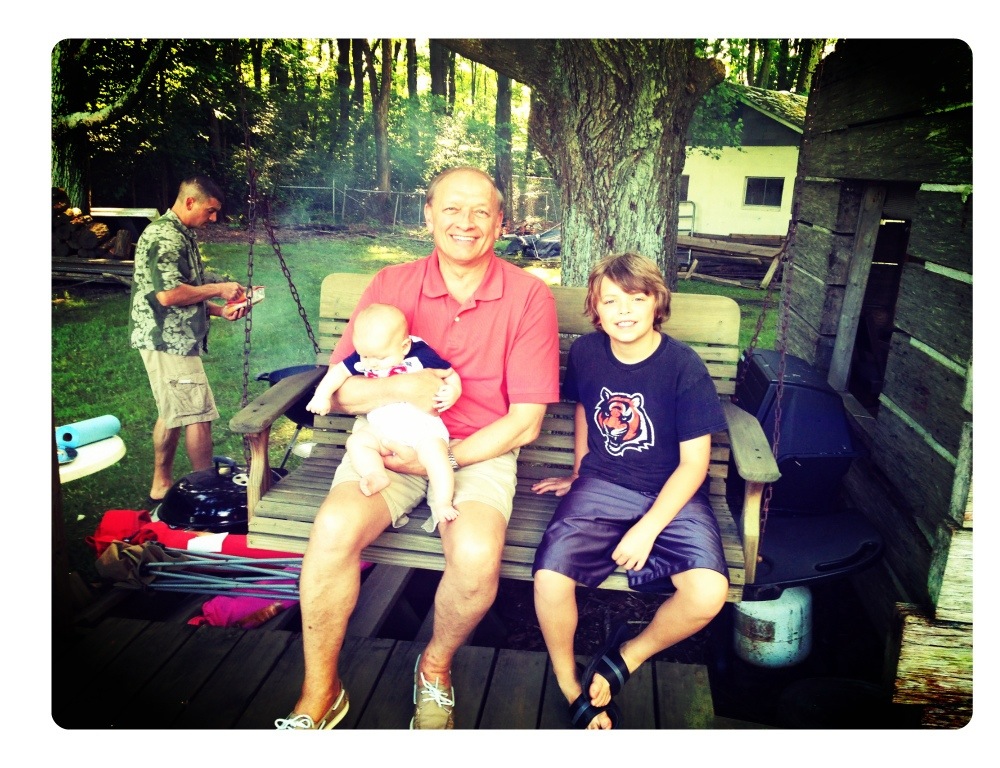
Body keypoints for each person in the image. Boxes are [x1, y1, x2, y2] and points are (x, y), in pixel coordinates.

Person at [274, 166, 560, 730]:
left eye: (480, 211)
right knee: (333, 528)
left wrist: (442, 461)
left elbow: (526, 423)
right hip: (386, 441)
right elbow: (342, 392)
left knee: (475, 555)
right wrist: (405, 388)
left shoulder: (528, 297)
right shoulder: (390, 286)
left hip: (477, 450)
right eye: (451, 208)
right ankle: (320, 692)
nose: (465, 222)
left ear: (500, 223)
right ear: (428, 215)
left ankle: (434, 667)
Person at [530, 252, 730, 730]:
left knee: (707, 593)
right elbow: (585, 408)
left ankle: (628, 655)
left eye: (636, 299)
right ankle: (568, 681)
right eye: (610, 300)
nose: (623, 310)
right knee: (550, 578)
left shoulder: (682, 366)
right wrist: (580, 472)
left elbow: (694, 464)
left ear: (656, 302)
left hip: (673, 492)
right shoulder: (588, 352)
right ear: (595, 309)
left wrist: (647, 529)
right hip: (602, 484)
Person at [129, 175, 250, 504]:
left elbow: (187, 289)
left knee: (173, 411)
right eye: (210, 210)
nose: (214, 218)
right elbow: (169, 295)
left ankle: (161, 484)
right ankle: (206, 492)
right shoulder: (165, 236)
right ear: (190, 201)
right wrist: (218, 289)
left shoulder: (181, 233)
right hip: (167, 340)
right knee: (198, 413)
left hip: (170, 337)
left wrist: (219, 310)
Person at [305, 302, 463, 525]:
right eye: (364, 356)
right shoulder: (367, 355)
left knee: (437, 456)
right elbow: (339, 371)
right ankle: (376, 474)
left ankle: (443, 502)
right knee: (357, 442)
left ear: (404, 346)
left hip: (422, 429)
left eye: (379, 359)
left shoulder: (420, 355)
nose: (371, 364)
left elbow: (449, 373)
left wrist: (453, 391)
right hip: (383, 429)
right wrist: (322, 395)